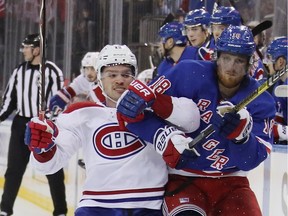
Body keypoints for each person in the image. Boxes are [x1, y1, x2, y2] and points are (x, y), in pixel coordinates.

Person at [117, 25, 276, 215]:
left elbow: (249, 161)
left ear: (250, 63)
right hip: (184, 180)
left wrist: (240, 137)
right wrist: (164, 137)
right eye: (226, 58)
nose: (231, 67)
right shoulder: (187, 73)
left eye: (239, 61)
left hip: (233, 184)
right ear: (217, 56)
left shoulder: (262, 101)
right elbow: (131, 112)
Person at [24, 44, 171, 216]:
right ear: (100, 79)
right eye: (112, 75)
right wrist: (43, 150)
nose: (119, 80)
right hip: (97, 207)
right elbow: (49, 166)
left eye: (126, 74)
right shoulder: (82, 115)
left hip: (148, 206)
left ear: (135, 77)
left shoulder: (157, 111)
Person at [0, 33, 67, 216]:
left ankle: (60, 211)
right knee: (14, 169)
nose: (24, 51)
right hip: (21, 125)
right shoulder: (18, 71)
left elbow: (58, 103)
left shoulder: (52, 72)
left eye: (27, 47)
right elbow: (9, 101)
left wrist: (51, 125)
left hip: (44, 126)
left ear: (36, 49)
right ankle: (5, 210)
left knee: (53, 169)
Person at [266, 36, 288, 144]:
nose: (267, 63)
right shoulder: (279, 84)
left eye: (269, 58)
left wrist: (275, 130)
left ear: (280, 62)